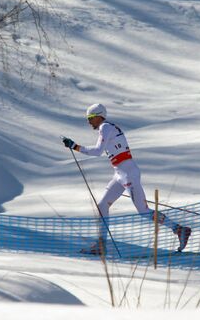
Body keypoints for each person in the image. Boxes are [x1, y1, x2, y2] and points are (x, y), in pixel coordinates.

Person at [62, 103, 191, 255]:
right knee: (102, 205)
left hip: (128, 173)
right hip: (119, 173)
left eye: (90, 118)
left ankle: (179, 230)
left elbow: (97, 151)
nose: (89, 122)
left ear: (99, 116)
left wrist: (75, 146)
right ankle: (101, 245)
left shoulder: (105, 127)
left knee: (143, 211)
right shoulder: (107, 128)